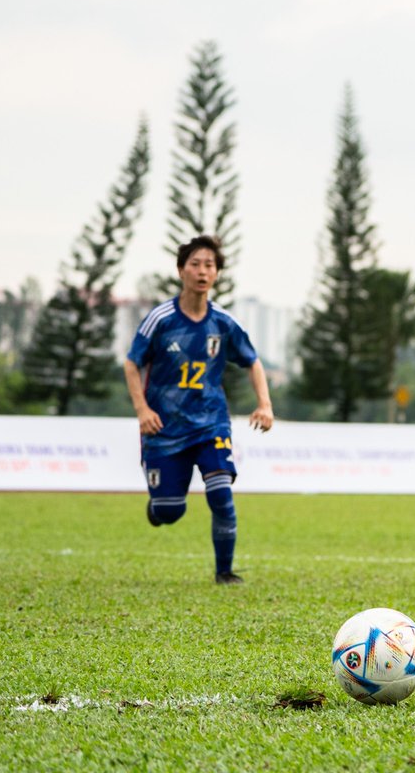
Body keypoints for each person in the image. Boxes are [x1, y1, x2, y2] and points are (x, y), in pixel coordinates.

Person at [123, 235, 274, 585]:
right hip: (164, 428)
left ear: (217, 274)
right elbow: (132, 364)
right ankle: (159, 507)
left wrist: (264, 404)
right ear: (181, 270)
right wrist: (142, 410)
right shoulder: (160, 319)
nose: (202, 271)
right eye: (195, 264)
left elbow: (253, 361)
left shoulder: (223, 323)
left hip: (211, 423)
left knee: (221, 492)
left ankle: (225, 572)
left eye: (210, 265)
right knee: (169, 512)